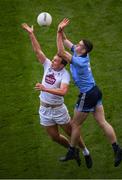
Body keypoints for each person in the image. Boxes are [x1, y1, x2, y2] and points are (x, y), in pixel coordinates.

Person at [21, 23, 93, 168]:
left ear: (62, 64)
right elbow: (38, 51)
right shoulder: (47, 65)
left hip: (58, 109)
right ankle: (72, 152)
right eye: (53, 59)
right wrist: (31, 33)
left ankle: (85, 151)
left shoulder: (65, 75)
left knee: (72, 132)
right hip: (44, 109)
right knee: (54, 137)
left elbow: (63, 92)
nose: (52, 61)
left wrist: (45, 89)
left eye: (55, 60)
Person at [57, 18, 122, 167]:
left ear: (84, 50)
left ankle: (72, 150)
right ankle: (117, 148)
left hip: (87, 94)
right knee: (102, 121)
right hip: (95, 91)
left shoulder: (79, 61)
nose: (76, 45)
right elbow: (66, 41)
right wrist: (62, 31)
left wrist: (57, 32)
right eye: (78, 44)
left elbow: (61, 51)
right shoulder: (80, 54)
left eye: (79, 45)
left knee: (75, 124)